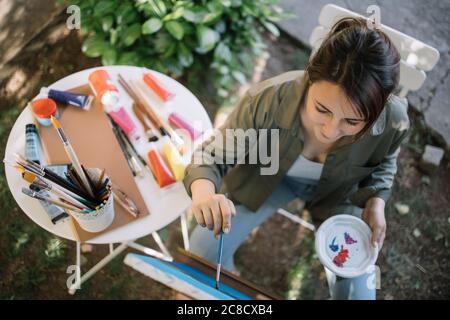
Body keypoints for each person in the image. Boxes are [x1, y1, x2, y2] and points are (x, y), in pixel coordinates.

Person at [182, 17, 410, 300]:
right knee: (201, 251)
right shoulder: (267, 99)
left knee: (359, 294)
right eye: (322, 109)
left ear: (379, 111)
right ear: (310, 77)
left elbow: (386, 159)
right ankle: (227, 282)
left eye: (351, 121)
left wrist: (376, 200)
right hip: (267, 179)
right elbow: (213, 155)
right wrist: (204, 192)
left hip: (342, 195)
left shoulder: (394, 120)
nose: (330, 131)